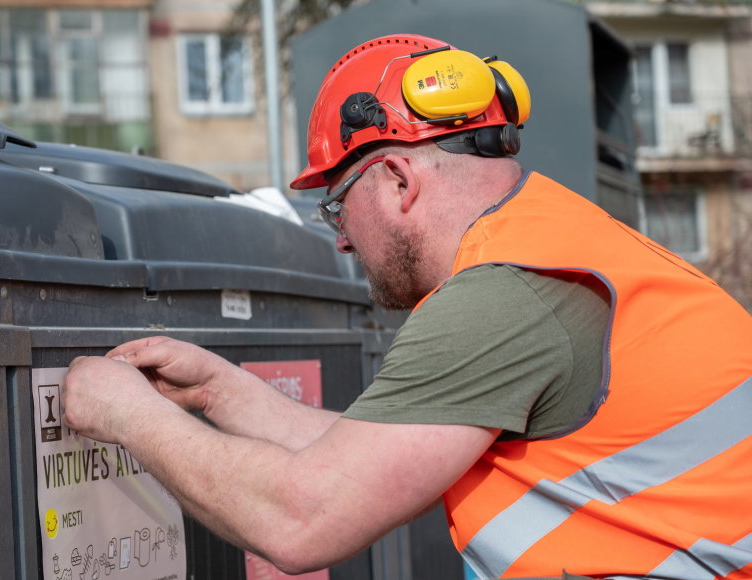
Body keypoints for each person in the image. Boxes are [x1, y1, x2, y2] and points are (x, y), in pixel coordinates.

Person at [63, 34, 752, 579]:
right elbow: (372, 462)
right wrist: (220, 390)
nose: (337, 235)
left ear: (395, 178)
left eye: (337, 202)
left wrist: (127, 415)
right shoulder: (551, 245)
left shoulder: (504, 295)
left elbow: (302, 521)